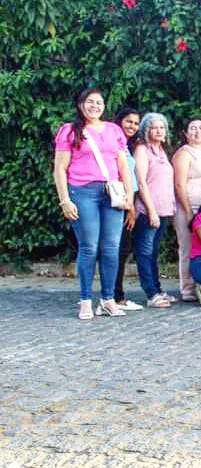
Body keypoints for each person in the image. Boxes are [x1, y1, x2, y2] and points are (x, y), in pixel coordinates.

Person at [53, 88, 134, 320]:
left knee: (111, 247)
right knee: (88, 246)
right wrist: (65, 200)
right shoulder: (69, 131)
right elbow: (60, 168)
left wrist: (129, 195)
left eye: (99, 102)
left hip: (111, 192)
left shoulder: (113, 130)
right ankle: (86, 299)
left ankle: (108, 299)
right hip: (83, 192)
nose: (95, 106)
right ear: (81, 105)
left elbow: (122, 165)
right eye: (90, 102)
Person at [131, 112, 177, 308]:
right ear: (146, 130)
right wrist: (151, 211)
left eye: (162, 127)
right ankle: (151, 293)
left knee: (154, 252)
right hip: (149, 210)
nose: (159, 131)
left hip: (165, 209)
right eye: (154, 127)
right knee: (145, 251)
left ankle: (158, 289)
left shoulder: (162, 151)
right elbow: (141, 182)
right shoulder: (143, 149)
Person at [172, 117, 201, 303]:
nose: (197, 131)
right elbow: (179, 185)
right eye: (192, 128)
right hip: (188, 206)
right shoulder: (183, 153)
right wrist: (189, 211)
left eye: (200, 127)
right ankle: (187, 287)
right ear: (185, 133)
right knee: (187, 247)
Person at [113, 107, 142, 311]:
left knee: (122, 250)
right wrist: (130, 206)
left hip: (128, 201)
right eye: (128, 121)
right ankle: (116, 297)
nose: (132, 126)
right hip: (119, 202)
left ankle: (115, 294)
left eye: (135, 123)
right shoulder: (114, 144)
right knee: (119, 249)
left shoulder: (128, 146)